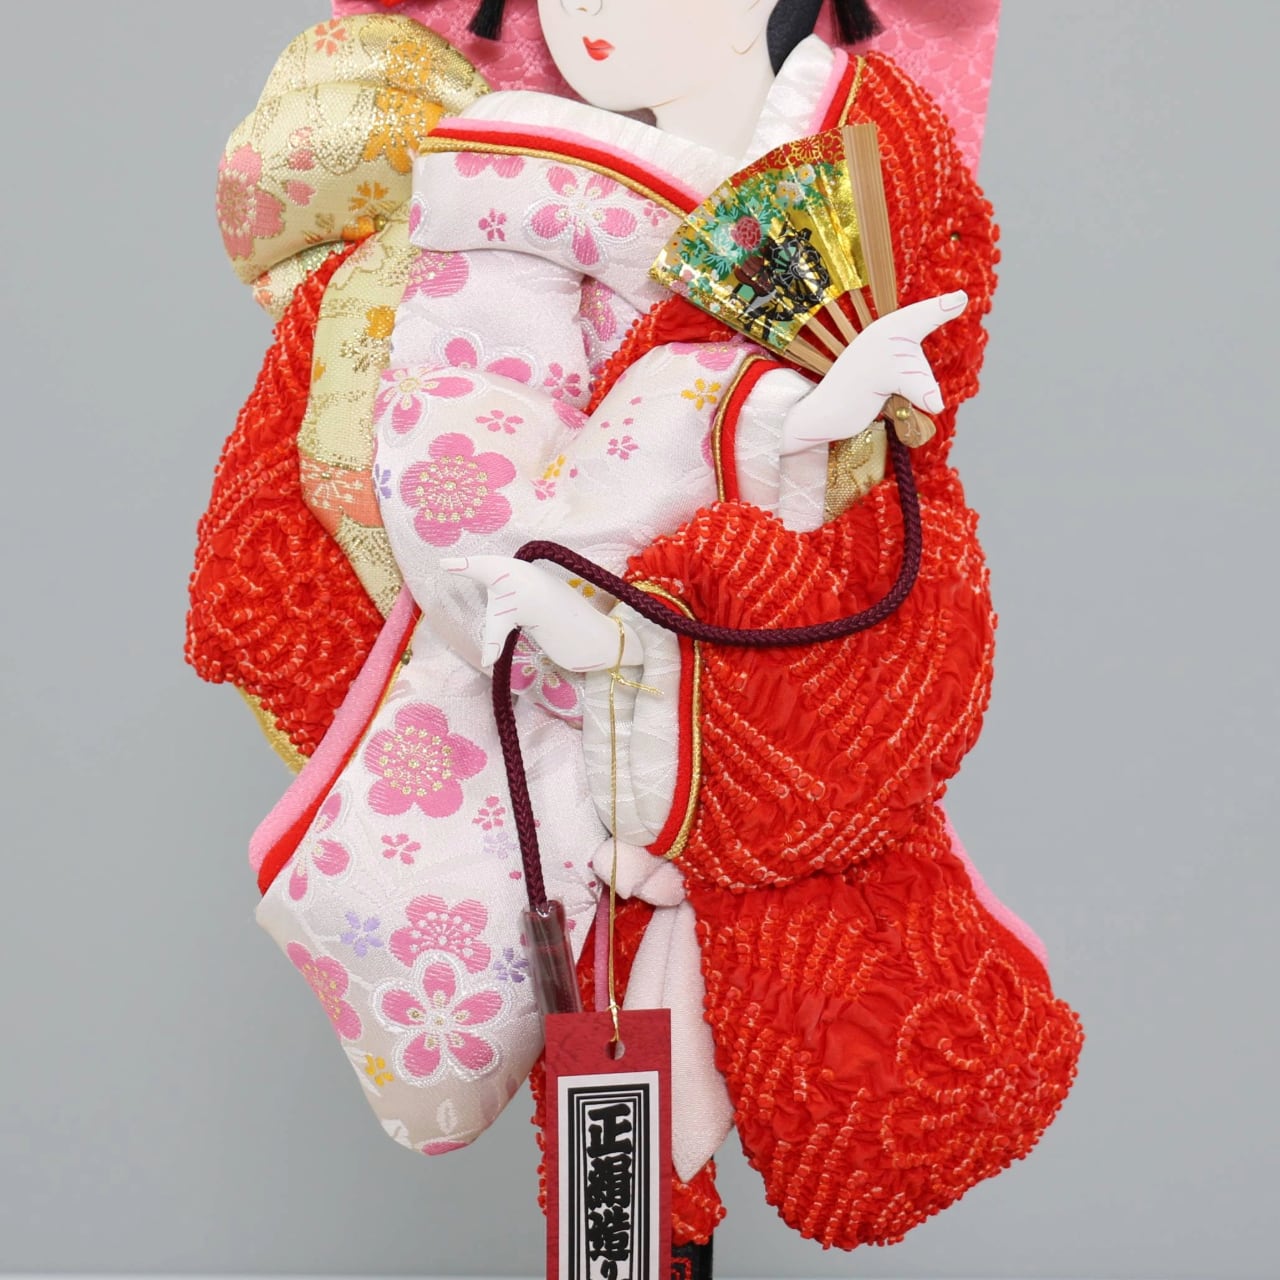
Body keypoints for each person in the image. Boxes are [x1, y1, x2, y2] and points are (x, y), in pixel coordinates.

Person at [249, 0, 1083, 1254]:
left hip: (766, 703)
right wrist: (751, 438)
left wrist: (806, 440)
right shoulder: (506, 202)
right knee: (621, 1166)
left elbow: (895, 511)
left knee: (740, 1071)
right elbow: (467, 507)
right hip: (579, 732)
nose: (593, 8)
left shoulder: (869, 151)